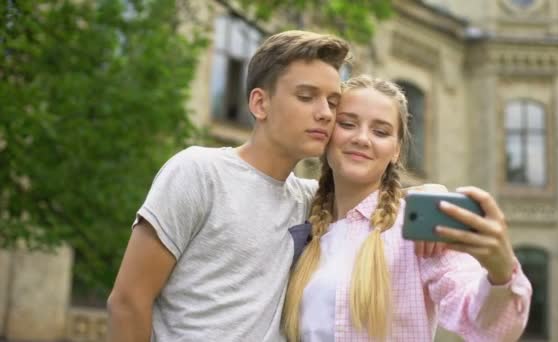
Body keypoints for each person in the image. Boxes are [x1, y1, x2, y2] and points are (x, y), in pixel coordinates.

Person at [106, 31, 441, 341]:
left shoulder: (310, 200)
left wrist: (430, 195)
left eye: (333, 102)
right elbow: (127, 302)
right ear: (259, 104)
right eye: (307, 97)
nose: (325, 113)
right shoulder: (199, 173)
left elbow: (371, 198)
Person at [282, 75, 532, 341]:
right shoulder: (301, 216)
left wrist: (501, 274)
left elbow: (488, 326)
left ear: (396, 151)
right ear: (328, 134)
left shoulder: (416, 231)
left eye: (380, 131)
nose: (362, 138)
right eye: (347, 124)